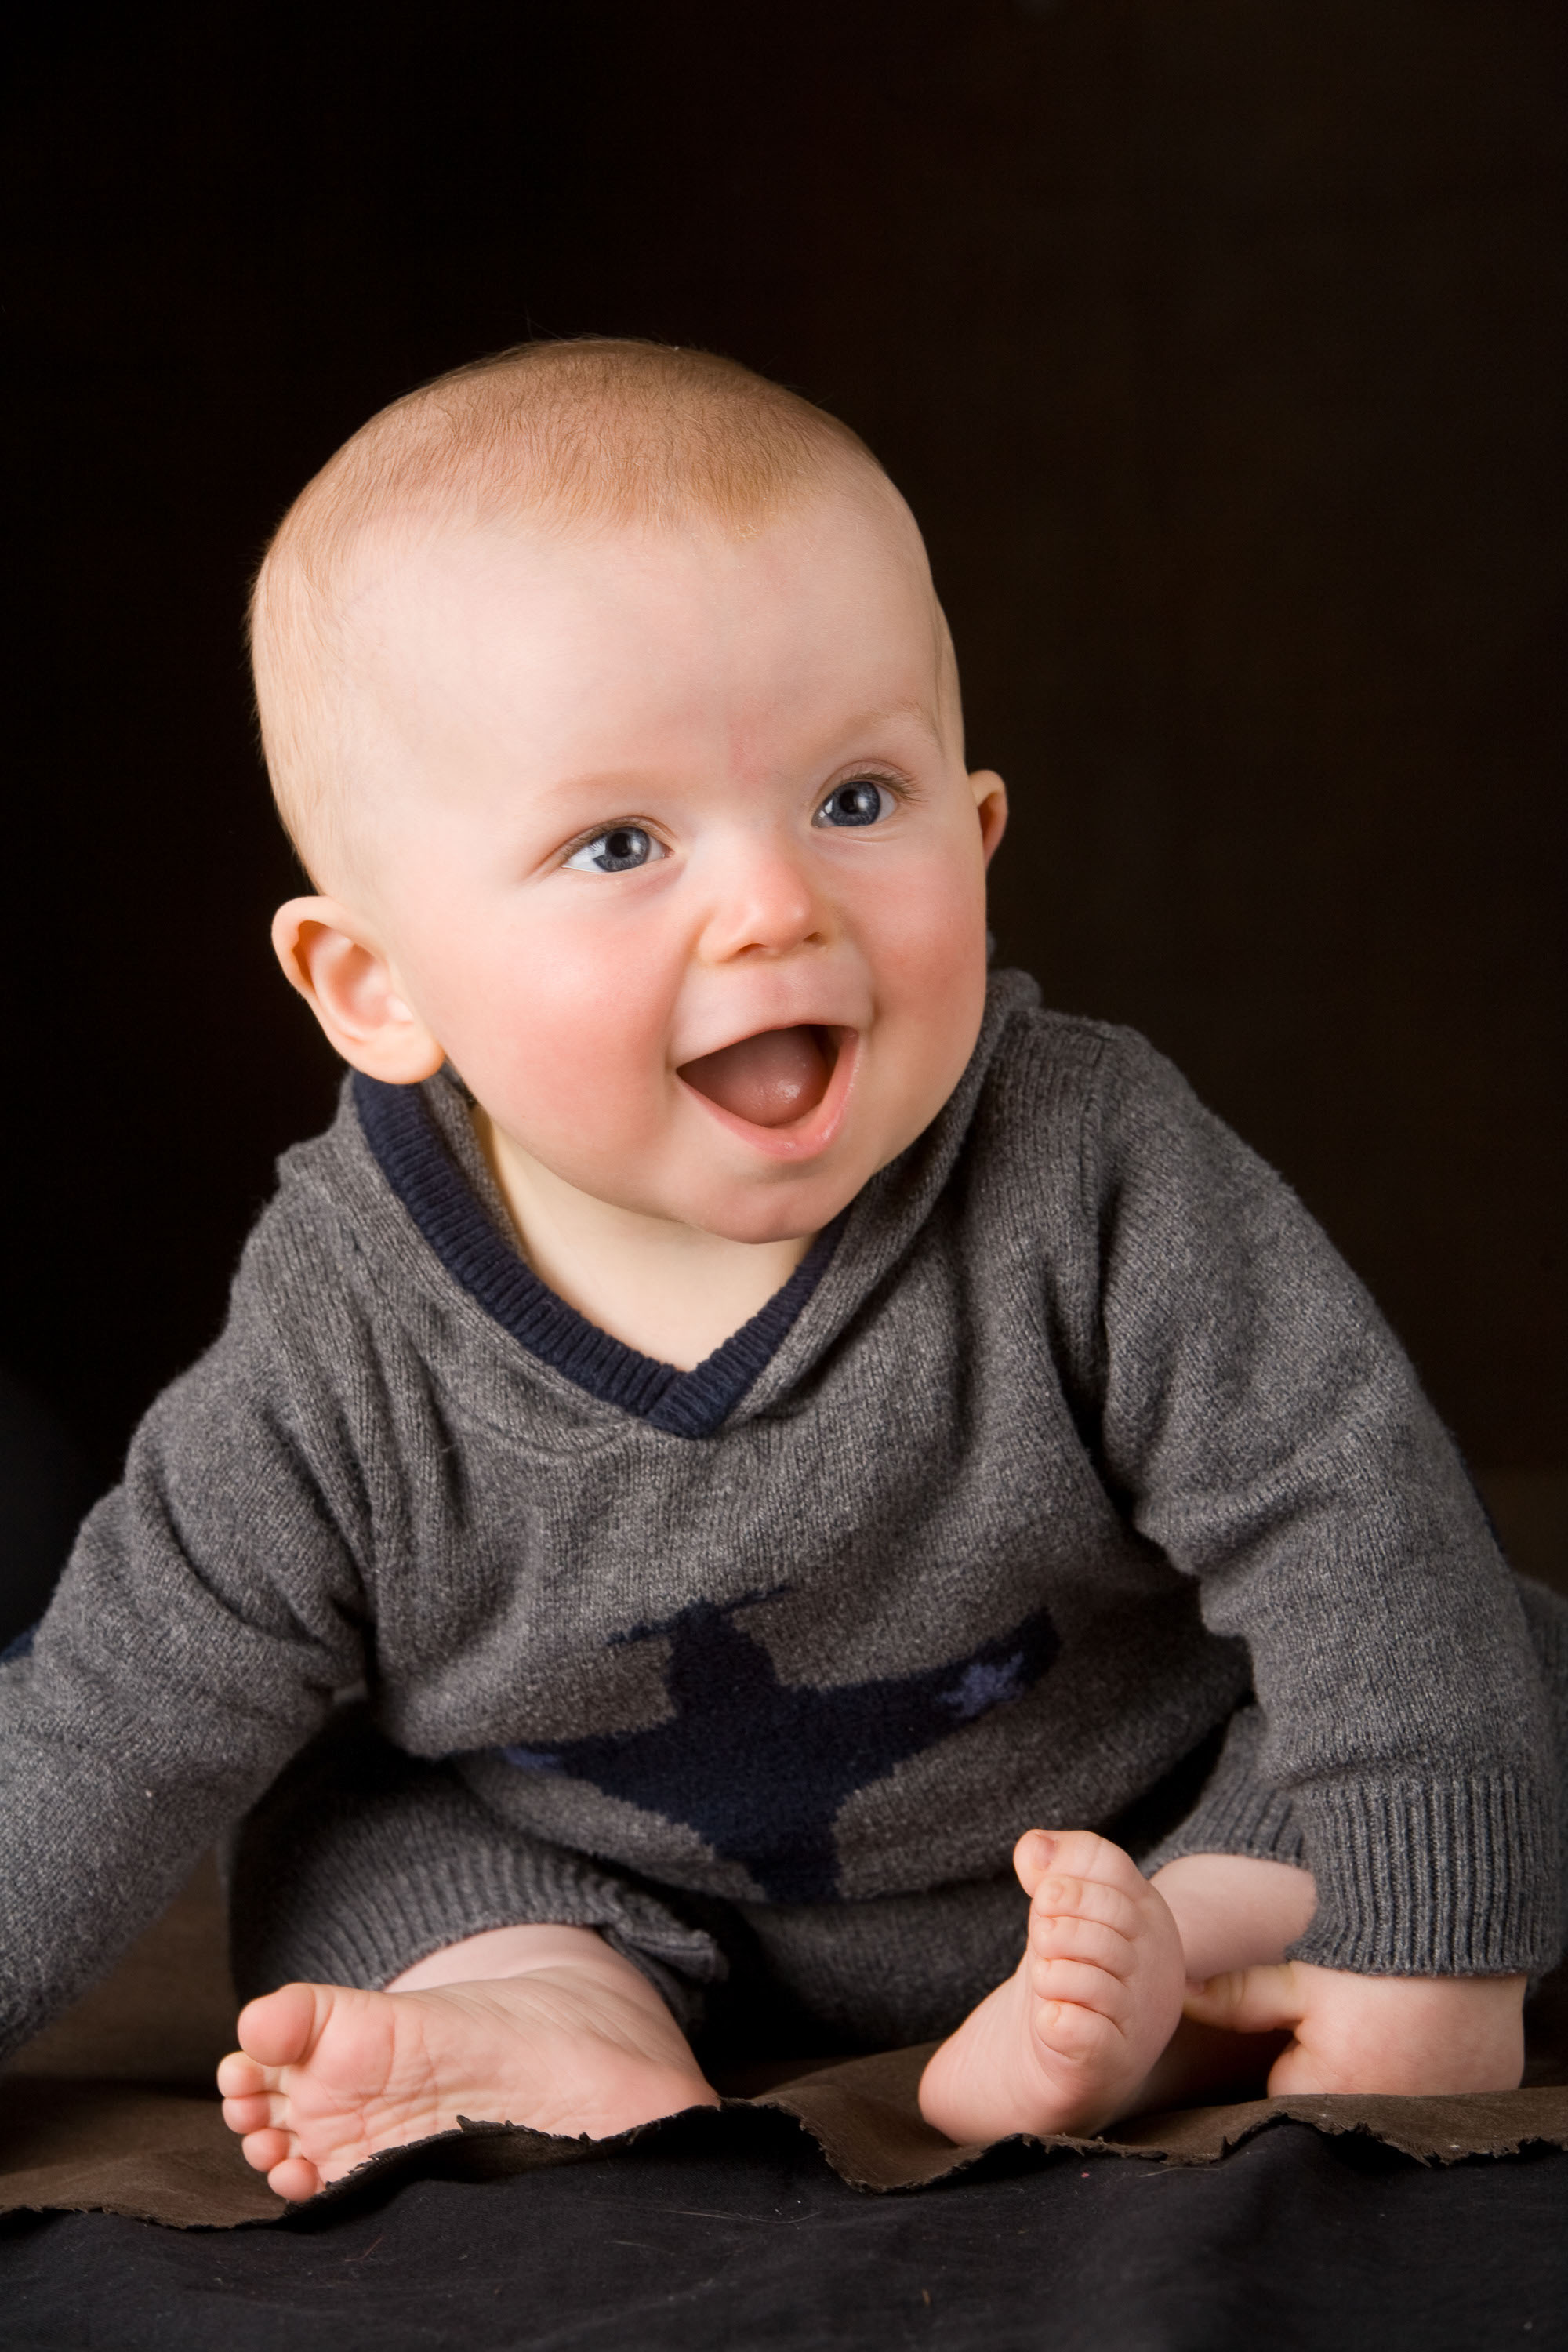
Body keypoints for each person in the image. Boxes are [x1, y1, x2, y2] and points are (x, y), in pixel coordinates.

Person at [2, 342, 1561, 2207]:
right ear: (377, 986)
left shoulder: (1088, 1163)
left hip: (1129, 1808)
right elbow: (110, 1710)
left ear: (978, 834)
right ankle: (554, 2014)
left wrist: (1433, 1967)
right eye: (619, 843)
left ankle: (1196, 1948)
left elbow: (1346, 1510)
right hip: (603, 1872)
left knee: (1490, 1660)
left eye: (852, 800)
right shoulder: (345, 1340)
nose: (774, 906)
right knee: (339, 1842)